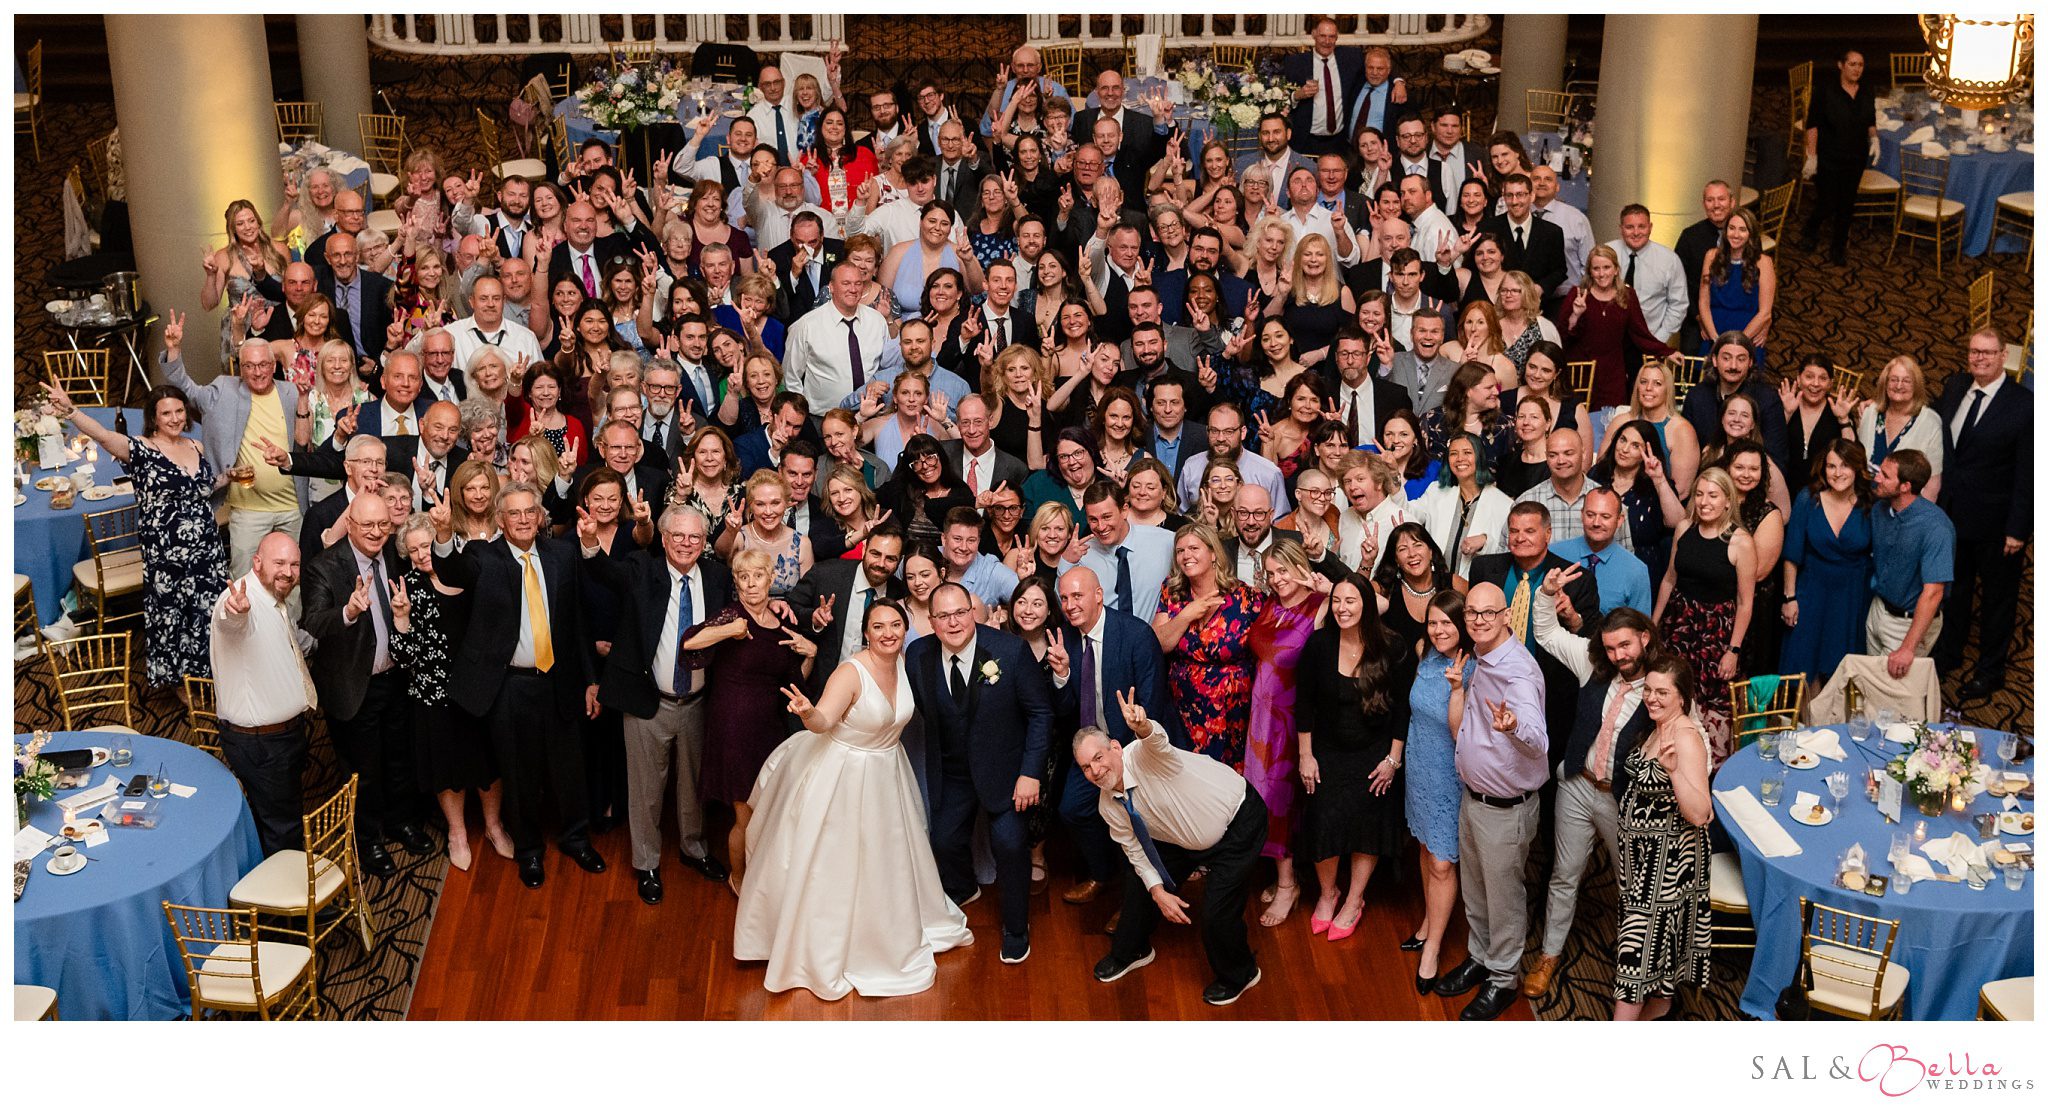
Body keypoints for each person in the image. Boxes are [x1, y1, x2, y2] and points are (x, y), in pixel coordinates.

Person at [737, 599, 974, 997]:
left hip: (888, 773)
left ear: (905, 628)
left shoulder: (904, 663)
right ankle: (827, 945)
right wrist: (807, 712)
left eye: (896, 625)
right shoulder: (851, 672)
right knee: (836, 861)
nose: (888, 633)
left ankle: (885, 927)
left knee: (887, 859)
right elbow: (825, 721)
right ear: (866, 632)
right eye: (878, 626)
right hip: (845, 774)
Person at [429, 482, 602, 889]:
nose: (523, 520)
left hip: (559, 680)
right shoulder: (482, 556)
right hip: (509, 686)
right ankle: (528, 852)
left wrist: (592, 679)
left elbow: (577, 622)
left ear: (541, 517)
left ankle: (576, 838)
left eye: (530, 512)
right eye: (514, 514)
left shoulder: (562, 554)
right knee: (519, 774)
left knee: (569, 769)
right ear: (500, 520)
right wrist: (441, 535)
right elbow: (453, 571)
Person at [1079, 687, 1270, 1006]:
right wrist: (1159, 892)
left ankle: (1242, 973)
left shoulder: (1142, 754)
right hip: (1177, 835)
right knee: (1142, 884)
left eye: (1098, 758)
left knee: (1217, 914)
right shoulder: (1107, 805)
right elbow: (1136, 851)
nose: (1096, 771)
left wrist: (1141, 725)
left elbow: (1156, 741)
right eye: (1086, 767)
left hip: (1239, 822)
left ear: (1115, 747)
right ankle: (1132, 950)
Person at [1522, 569, 1660, 1001]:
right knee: (1565, 874)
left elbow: (1691, 733)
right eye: (1611, 646)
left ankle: (1632, 965)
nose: (1619, 654)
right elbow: (1545, 632)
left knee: (1630, 883)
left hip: (1624, 801)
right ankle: (1549, 954)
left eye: (1626, 645)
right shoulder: (1592, 662)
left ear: (1645, 639)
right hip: (1578, 788)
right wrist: (1545, 595)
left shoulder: (1663, 683)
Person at [904, 582, 1056, 964]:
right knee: (942, 841)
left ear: (974, 613)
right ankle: (964, 886)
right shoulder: (918, 655)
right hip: (952, 771)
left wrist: (1030, 773)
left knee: (1009, 846)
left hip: (1006, 773)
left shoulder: (1009, 650)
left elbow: (1041, 714)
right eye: (942, 616)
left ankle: (1017, 928)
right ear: (931, 620)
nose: (952, 623)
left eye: (960, 613)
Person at [47, 383, 227, 688]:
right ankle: (180, 683)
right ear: (153, 418)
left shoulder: (195, 446)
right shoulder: (142, 449)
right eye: (166, 413)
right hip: (166, 556)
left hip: (206, 551)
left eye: (179, 411)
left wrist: (227, 477)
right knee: (173, 617)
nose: (174, 418)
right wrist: (72, 411)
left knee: (207, 612)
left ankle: (209, 673)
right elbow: (103, 437)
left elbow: (201, 489)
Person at [1430, 581, 1548, 1020]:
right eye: (1472, 614)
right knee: (1476, 892)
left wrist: (1514, 724)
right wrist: (1459, 689)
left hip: (1506, 808)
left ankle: (1503, 979)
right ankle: (1481, 959)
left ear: (1506, 617)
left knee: (1504, 900)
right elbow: (1462, 731)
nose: (1478, 620)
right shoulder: (1480, 659)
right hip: (1473, 798)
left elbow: (1538, 743)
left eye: (1487, 613)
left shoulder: (1518, 671)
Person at [1046, 565, 1172, 908]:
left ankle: (1136, 905)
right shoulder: (1065, 638)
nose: (1070, 605)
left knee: (1136, 823)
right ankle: (1103, 875)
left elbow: (1153, 704)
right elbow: (1065, 710)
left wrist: (1132, 753)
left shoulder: (1135, 634)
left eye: (1078, 596)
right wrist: (1061, 676)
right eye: (1065, 598)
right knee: (1072, 809)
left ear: (1098, 595)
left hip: (1134, 749)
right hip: (1092, 752)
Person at [391, 513, 507, 873]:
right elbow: (403, 656)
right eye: (413, 550)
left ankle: (493, 826)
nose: (422, 554)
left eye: (426, 545)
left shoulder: (468, 573)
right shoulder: (405, 589)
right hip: (432, 694)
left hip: (477, 688)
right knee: (446, 767)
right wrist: (401, 620)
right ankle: (457, 833)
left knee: (487, 763)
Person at [688, 547, 817, 870]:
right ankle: (739, 879)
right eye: (743, 577)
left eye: (758, 576)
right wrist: (728, 631)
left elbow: (793, 683)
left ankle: (761, 879)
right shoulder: (731, 615)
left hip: (768, 731)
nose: (751, 584)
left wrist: (810, 654)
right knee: (746, 816)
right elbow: (689, 643)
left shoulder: (780, 623)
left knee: (768, 814)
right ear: (736, 582)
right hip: (732, 728)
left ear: (771, 579)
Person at [157, 318, 304, 576]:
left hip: (292, 508)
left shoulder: (291, 393)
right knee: (245, 581)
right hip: (248, 512)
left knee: (292, 582)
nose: (257, 372)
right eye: (249, 366)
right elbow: (186, 391)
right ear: (240, 368)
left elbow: (306, 443)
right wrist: (173, 350)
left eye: (262, 365)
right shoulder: (224, 389)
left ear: (274, 366)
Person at [1932, 329, 2033, 700]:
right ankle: (1950, 653)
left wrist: (2018, 529)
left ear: (2003, 355)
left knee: (1998, 601)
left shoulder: (2025, 405)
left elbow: (2030, 474)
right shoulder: (1957, 385)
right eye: (1974, 352)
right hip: (1952, 515)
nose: (1980, 359)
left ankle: (1991, 671)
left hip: (1998, 524)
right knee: (1953, 590)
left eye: (1988, 353)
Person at [1612, 654, 1714, 1020]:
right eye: (1649, 690)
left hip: (1667, 866)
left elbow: (1700, 812)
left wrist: (1672, 773)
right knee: (1658, 946)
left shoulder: (1686, 738)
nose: (1652, 698)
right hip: (1642, 861)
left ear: (1682, 697)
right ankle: (1660, 1009)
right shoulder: (1659, 726)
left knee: (1636, 952)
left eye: (1662, 693)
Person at [209, 532, 318, 855]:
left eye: (294, 564)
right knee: (283, 828)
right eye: (279, 563)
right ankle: (288, 902)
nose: (288, 571)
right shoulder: (244, 600)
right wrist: (236, 611)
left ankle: (271, 889)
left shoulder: (273, 597)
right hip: (261, 744)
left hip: (281, 737)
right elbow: (233, 623)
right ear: (257, 563)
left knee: (271, 821)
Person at [1239, 538, 1328, 926]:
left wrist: (1328, 585)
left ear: (1301, 566)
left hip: (1293, 720)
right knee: (1260, 796)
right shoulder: (1272, 602)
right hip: (1260, 716)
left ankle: (1289, 885)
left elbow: (1377, 606)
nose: (1277, 580)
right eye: (1271, 573)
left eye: (1284, 571)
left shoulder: (1319, 605)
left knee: (1281, 799)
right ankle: (1282, 875)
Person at [1468, 502, 1603, 752]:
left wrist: (1573, 617)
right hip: (1490, 685)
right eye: (1514, 531)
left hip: (1550, 694)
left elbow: (1592, 643)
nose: (1520, 538)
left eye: (1529, 531)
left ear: (1547, 534)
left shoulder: (1576, 580)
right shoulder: (1485, 569)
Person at [1652, 468, 1755, 764]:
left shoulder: (1740, 542)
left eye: (1712, 495)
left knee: (1713, 713)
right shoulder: (1684, 528)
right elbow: (1669, 579)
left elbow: (1745, 603)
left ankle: (1710, 781)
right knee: (1675, 698)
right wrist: (1654, 624)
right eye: (1699, 494)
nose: (1704, 501)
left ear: (1727, 501)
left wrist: (1733, 650)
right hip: (1679, 627)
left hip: (1717, 636)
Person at [1395, 588, 1470, 989]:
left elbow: (1460, 733)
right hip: (1419, 766)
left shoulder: (1471, 666)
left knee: (1443, 862)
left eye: (1448, 622)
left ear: (1463, 625)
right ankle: (1427, 922)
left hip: (1450, 773)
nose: (1439, 630)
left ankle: (1434, 948)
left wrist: (1457, 688)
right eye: (1434, 622)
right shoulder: (1424, 651)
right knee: (1425, 848)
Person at [1153, 522, 1265, 766]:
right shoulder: (1172, 592)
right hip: (1186, 709)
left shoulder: (1247, 597)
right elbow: (1159, 644)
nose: (1186, 556)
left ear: (1213, 553)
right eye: (1180, 551)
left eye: (1194, 548)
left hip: (1234, 711)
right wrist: (1186, 615)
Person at [1779, 439, 1875, 682]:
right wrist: (1790, 598)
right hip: (1812, 590)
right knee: (1803, 661)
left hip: (1852, 595)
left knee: (1842, 662)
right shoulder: (1808, 499)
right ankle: (1808, 719)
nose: (1837, 473)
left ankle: (1835, 720)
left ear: (1857, 468)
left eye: (1844, 466)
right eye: (1831, 466)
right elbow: (1792, 554)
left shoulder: (1871, 504)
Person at [1866, 450, 1953, 679]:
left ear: (1905, 486)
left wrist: (1907, 648)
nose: (1876, 478)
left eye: (1885, 475)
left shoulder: (1936, 528)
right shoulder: (1880, 510)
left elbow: (1934, 592)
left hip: (1907, 623)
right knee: (1872, 687)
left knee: (1894, 699)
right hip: (1879, 608)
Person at [1557, 245, 1676, 409]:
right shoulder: (1577, 294)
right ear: (1589, 271)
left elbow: (1640, 333)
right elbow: (1562, 337)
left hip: (1613, 373)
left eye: (1606, 267)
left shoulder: (1627, 295)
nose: (1601, 273)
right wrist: (1576, 314)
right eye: (1596, 268)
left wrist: (1666, 351)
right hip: (1581, 371)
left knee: (1613, 419)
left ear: (1616, 270)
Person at [1800, 50, 1878, 266]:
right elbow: (1812, 125)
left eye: (1860, 65)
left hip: (1855, 156)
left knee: (1847, 203)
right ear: (1840, 65)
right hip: (1829, 155)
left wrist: (1874, 138)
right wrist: (1812, 156)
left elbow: (1870, 118)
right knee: (1827, 201)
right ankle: (1811, 229)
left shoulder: (1866, 90)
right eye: (1852, 64)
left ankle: (1838, 247)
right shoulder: (1826, 91)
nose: (1857, 69)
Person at [1411, 431, 1511, 582]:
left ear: (1479, 457)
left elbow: (1508, 553)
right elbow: (1408, 513)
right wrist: (1393, 480)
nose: (1460, 459)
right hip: (1436, 586)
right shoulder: (1436, 492)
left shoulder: (1503, 504)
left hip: (1476, 589)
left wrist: (1486, 541)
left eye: (1467, 452)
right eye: (1453, 454)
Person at [1072, 480, 1176, 622]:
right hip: (1105, 640)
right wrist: (1066, 561)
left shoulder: (1165, 541)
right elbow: (1069, 607)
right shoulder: (1083, 554)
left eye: (1107, 517)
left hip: (1152, 639)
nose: (1101, 527)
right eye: (1093, 519)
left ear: (1124, 511)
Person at [1851, 354, 1945, 501]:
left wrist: (1916, 518)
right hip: (1863, 501)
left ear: (1916, 386)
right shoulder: (1870, 412)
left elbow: (1933, 483)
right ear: (1885, 383)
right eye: (1894, 380)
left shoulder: (1930, 422)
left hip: (1903, 510)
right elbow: (1856, 459)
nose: (1899, 385)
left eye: (1906, 381)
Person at [1552, 487, 1655, 617]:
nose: (1596, 523)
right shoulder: (1554, 553)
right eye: (1590, 515)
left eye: (1605, 517)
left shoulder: (1636, 570)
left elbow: (1639, 627)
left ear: (1620, 520)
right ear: (1582, 515)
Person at [1695, 208, 1775, 366]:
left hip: (1747, 334)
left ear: (1751, 234)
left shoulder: (1764, 262)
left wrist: (1737, 345)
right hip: (1714, 332)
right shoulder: (1711, 256)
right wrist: (1716, 339)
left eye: (1742, 230)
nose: (1736, 234)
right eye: (1731, 228)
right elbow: (1703, 303)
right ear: (1725, 231)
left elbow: (1765, 313)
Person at [1605, 204, 1691, 345]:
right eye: (1629, 227)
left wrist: (1658, 339)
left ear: (1650, 227)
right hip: (1609, 339)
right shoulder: (1606, 253)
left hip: (1650, 338)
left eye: (1641, 226)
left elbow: (1678, 304)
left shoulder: (1669, 260)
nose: (1636, 232)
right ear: (1620, 228)